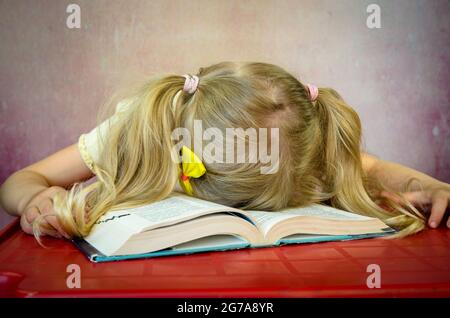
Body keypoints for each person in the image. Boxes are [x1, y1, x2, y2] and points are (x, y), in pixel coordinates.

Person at [0, 61, 449, 241]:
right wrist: (31, 199)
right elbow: (19, 181)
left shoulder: (308, 144)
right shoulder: (137, 130)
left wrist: (422, 184)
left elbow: (372, 168)